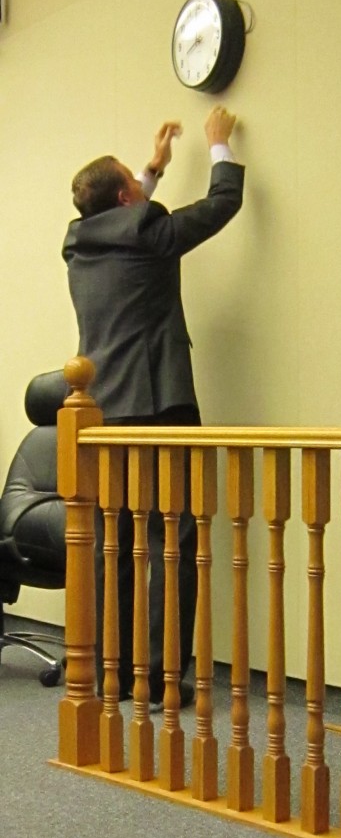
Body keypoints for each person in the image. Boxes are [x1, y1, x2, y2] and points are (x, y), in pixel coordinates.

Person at [62, 106, 245, 708]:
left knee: (113, 539)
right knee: (174, 538)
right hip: (160, 404)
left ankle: (110, 669)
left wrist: (152, 167)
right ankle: (165, 676)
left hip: (100, 414)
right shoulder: (146, 230)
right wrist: (219, 147)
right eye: (135, 184)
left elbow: (128, 218)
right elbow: (219, 208)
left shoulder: (78, 242)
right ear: (125, 195)